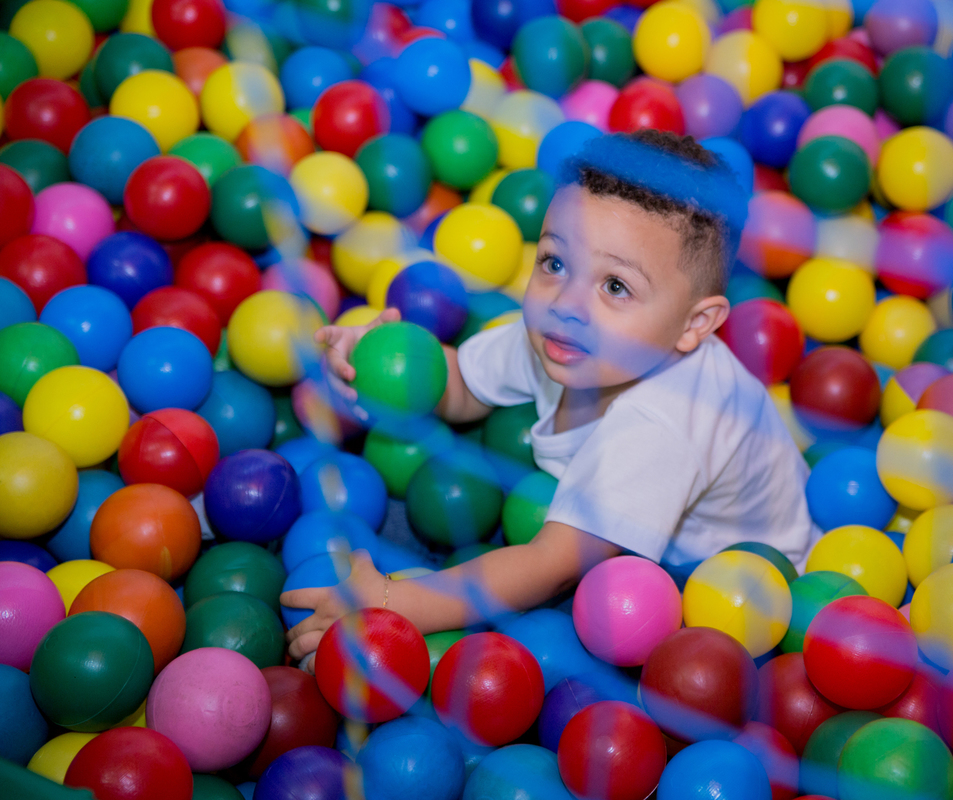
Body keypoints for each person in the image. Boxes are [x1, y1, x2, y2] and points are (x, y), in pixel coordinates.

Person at [282, 129, 816, 662]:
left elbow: (549, 565)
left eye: (615, 286)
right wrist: (377, 364)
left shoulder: (661, 425)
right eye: (555, 263)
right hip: (617, 528)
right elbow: (462, 385)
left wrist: (391, 601)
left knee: (561, 640)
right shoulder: (564, 335)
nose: (568, 302)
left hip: (740, 596)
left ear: (694, 324)